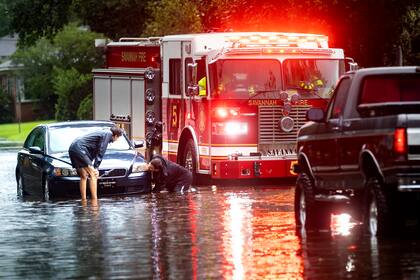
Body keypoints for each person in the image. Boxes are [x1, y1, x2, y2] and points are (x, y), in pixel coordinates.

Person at [68, 125, 123, 200]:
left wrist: (92, 164)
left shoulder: (103, 132)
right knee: (93, 174)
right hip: (80, 148)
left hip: (73, 148)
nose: (117, 140)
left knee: (84, 175)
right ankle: (95, 201)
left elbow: (93, 150)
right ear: (116, 136)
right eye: (118, 138)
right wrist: (96, 167)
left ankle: (83, 200)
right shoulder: (108, 134)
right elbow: (101, 150)